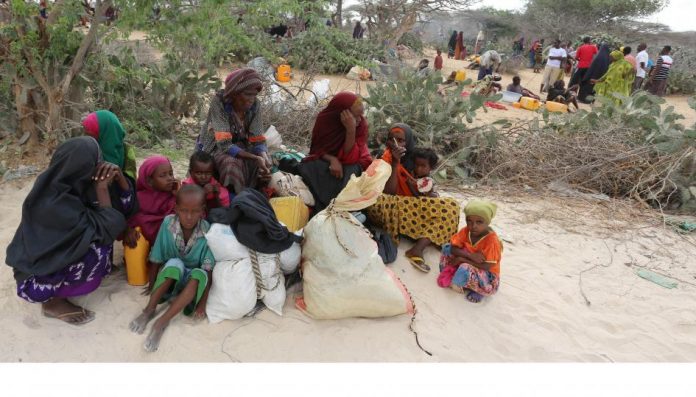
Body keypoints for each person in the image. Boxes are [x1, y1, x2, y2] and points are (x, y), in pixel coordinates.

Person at [5, 137, 127, 325]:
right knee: (97, 245)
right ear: (82, 166)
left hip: (40, 265)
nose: (100, 164)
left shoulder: (68, 187)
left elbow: (125, 209)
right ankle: (52, 303)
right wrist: (102, 188)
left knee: (97, 233)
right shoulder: (54, 204)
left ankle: (63, 289)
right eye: (96, 160)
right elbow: (111, 226)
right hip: (34, 282)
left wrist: (119, 178)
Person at [129, 185, 215, 352]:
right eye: (184, 211)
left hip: (191, 285)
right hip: (173, 279)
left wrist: (202, 304)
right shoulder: (168, 223)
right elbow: (157, 256)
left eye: (195, 211)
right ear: (176, 209)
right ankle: (149, 310)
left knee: (199, 274)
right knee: (175, 263)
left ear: (202, 211)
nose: (189, 217)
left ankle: (162, 322)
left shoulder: (207, 230)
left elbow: (208, 269)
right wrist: (153, 285)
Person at [366, 124, 460, 273]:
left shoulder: (415, 161)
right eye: (391, 139)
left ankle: (418, 248)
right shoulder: (383, 159)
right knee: (385, 202)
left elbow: (423, 193)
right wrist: (395, 163)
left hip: (410, 205)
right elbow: (389, 193)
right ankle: (416, 234)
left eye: (401, 140)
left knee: (452, 206)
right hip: (388, 205)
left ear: (408, 141)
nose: (395, 143)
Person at [197, 68, 271, 195]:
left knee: (267, 164)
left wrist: (263, 155)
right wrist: (254, 157)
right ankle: (233, 199)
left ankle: (253, 197)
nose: (251, 99)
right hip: (216, 147)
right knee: (231, 166)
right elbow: (224, 144)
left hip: (242, 146)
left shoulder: (255, 105)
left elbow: (257, 137)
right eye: (247, 94)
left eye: (254, 95)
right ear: (235, 93)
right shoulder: (219, 103)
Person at [298, 92, 371, 212]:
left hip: (352, 162)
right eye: (355, 116)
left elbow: (350, 158)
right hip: (328, 161)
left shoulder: (360, 125)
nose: (359, 120)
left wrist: (351, 130)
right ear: (341, 113)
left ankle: (341, 207)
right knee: (310, 166)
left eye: (361, 115)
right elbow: (317, 149)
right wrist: (332, 159)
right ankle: (322, 205)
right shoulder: (325, 120)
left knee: (351, 170)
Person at [82, 110, 139, 247]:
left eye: (90, 135)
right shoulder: (87, 153)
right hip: (94, 210)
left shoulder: (126, 153)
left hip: (120, 204)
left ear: (105, 134)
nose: (86, 138)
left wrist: (120, 177)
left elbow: (131, 195)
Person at [436, 200, 502, 303]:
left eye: (479, 222)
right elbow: (453, 248)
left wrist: (463, 260)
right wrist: (470, 255)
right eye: (469, 221)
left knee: (465, 267)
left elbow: (486, 266)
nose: (473, 225)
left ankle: (480, 290)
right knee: (447, 248)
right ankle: (456, 276)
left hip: (487, 276)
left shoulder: (492, 241)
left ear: (488, 222)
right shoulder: (466, 230)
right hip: (471, 261)